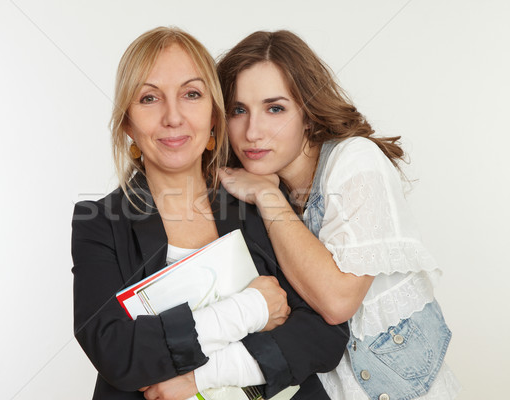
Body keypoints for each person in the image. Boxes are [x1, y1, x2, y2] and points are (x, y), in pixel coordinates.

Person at [71, 27, 349, 400]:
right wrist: (248, 309)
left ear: (215, 117)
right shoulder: (99, 222)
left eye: (191, 94)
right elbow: (117, 353)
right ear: (127, 124)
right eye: (149, 98)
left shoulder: (260, 197)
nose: (173, 117)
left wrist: (202, 375)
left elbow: (324, 336)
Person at [216, 30, 460, 400]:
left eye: (275, 108)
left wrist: (267, 196)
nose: (253, 131)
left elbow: (337, 301)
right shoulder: (255, 187)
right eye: (238, 110)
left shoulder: (355, 161)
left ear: (308, 116)